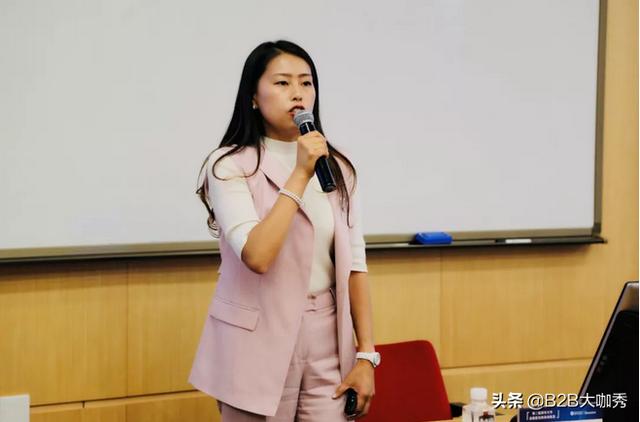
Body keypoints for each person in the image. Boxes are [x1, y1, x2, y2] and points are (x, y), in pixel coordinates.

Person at [189, 40, 379, 422]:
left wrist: (366, 355)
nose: (297, 93)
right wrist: (300, 173)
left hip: (327, 337)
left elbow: (355, 266)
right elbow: (257, 256)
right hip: (255, 340)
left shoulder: (338, 168)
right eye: (282, 83)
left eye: (306, 82)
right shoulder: (228, 165)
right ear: (253, 97)